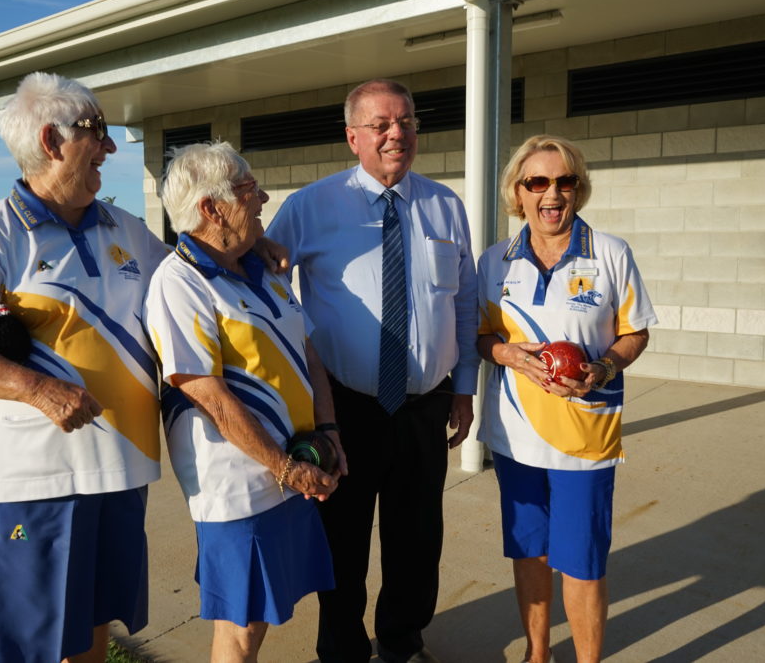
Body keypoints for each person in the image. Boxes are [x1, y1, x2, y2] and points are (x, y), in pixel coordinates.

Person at [0, 72, 172, 663]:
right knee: (30, 645)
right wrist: (36, 389)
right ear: (52, 141)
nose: (109, 146)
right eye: (97, 131)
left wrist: (246, 244)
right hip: (37, 484)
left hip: (122, 472)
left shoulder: (125, 228)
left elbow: (187, 287)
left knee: (94, 627)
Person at [265, 79, 480, 663]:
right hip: (345, 408)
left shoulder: (445, 205)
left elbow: (463, 303)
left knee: (416, 539)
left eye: (406, 122)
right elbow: (264, 292)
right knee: (343, 540)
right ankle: (341, 650)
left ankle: (402, 641)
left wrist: (463, 390)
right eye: (381, 124)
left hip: (424, 404)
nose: (396, 134)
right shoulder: (310, 207)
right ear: (352, 137)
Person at [143, 141, 345, 662]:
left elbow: (309, 355)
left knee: (260, 620)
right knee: (241, 624)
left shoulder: (263, 269)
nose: (264, 198)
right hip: (238, 485)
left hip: (288, 470)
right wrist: (285, 468)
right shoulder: (179, 280)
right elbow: (204, 392)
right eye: (250, 189)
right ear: (211, 208)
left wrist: (330, 431)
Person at [475, 135, 657, 663]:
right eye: (537, 182)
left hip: (585, 438)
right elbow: (482, 336)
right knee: (530, 552)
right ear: (518, 192)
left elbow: (636, 331)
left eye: (564, 181)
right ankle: (538, 654)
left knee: (581, 561)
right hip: (516, 437)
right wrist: (507, 354)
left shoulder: (611, 253)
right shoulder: (495, 262)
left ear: (578, 190)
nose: (551, 194)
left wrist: (604, 367)